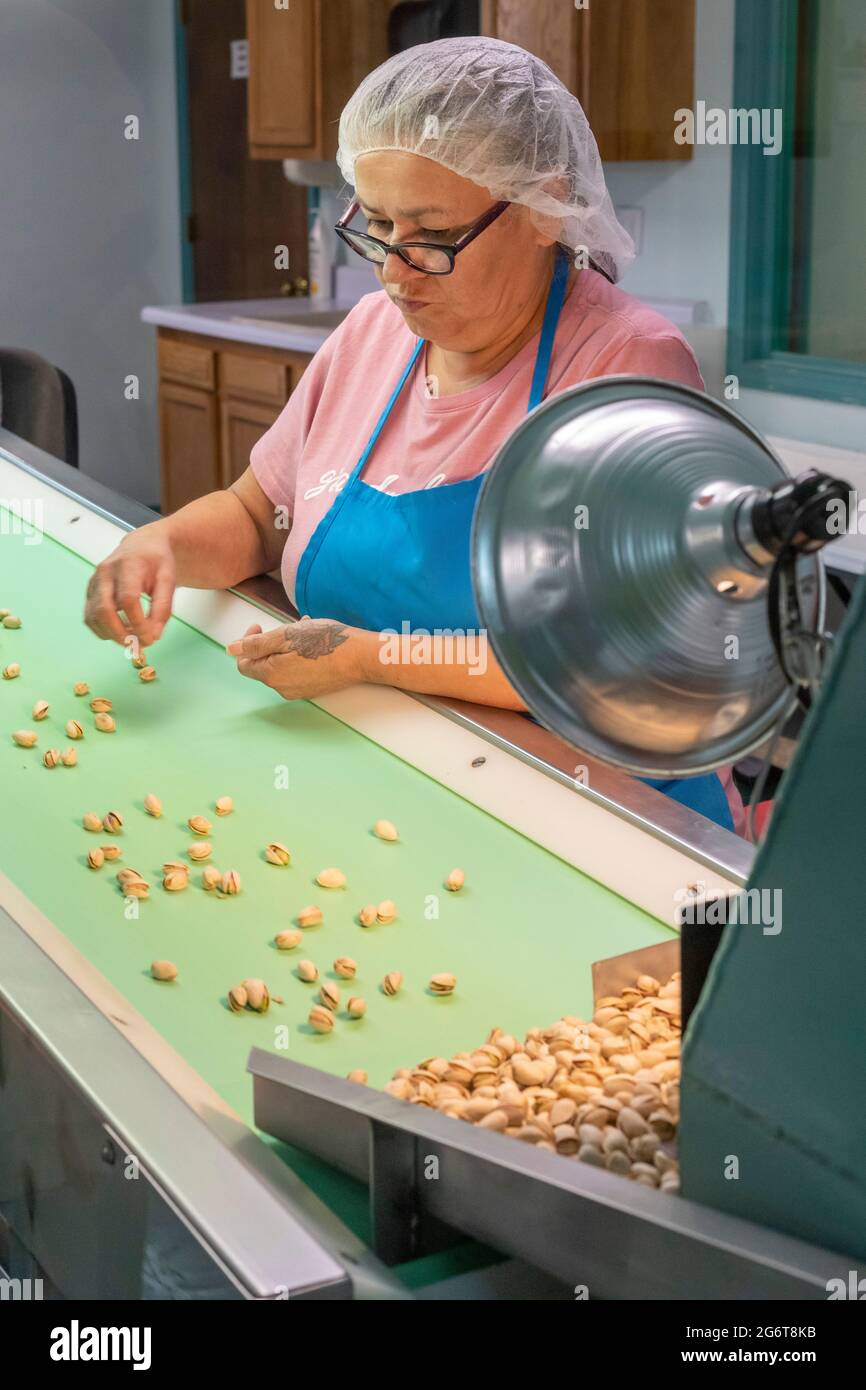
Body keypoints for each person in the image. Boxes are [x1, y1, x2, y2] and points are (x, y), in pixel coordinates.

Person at [85, 36, 745, 835]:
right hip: (395, 778)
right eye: (378, 227)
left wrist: (368, 656)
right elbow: (263, 517)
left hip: (592, 814)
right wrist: (160, 545)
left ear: (543, 204)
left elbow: (605, 663)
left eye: (431, 236)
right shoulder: (372, 333)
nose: (395, 273)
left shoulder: (624, 367)